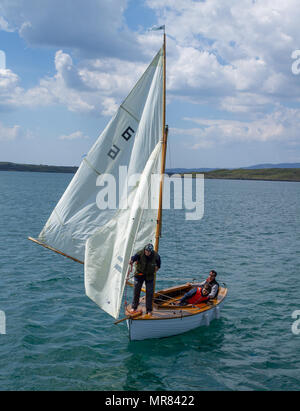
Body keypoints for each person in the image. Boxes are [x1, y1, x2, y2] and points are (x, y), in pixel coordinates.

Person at [129, 243, 161, 317]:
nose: (147, 252)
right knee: (136, 291)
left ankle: (149, 310)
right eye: (146, 251)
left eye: (149, 251)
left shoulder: (156, 256)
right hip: (139, 275)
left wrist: (155, 269)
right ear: (145, 250)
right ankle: (134, 307)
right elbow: (133, 258)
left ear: (151, 251)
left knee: (149, 292)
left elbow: (159, 265)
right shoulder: (140, 253)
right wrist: (131, 261)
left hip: (149, 276)